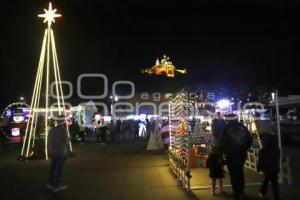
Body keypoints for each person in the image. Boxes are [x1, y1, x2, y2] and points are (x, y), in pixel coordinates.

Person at [220, 114, 252, 199]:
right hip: (242, 153)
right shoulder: (243, 127)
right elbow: (249, 140)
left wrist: (224, 152)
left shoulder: (226, 129)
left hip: (231, 154)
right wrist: (244, 148)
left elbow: (223, 142)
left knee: (233, 173)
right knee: (240, 171)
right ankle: (241, 190)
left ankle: (236, 192)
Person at [46, 116, 70, 192]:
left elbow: (49, 142)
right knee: (58, 170)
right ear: (63, 121)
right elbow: (66, 142)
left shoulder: (52, 130)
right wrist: (69, 139)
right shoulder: (63, 130)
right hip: (61, 152)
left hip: (54, 152)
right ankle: (56, 186)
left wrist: (50, 151)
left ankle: (51, 184)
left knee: (53, 169)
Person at [257, 134, 281, 200]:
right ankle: (276, 196)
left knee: (266, 180)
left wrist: (259, 167)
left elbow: (260, 160)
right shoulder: (277, 149)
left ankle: (262, 192)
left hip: (267, 169)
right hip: (274, 168)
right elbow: (277, 159)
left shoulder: (263, 150)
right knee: (274, 183)